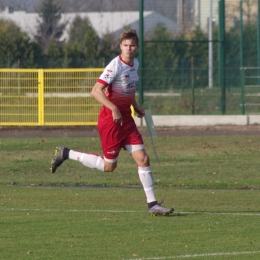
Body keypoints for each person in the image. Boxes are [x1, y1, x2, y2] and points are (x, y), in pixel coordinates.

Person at [51, 29, 174, 216]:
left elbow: (128, 91)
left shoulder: (135, 64)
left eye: (132, 45)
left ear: (137, 47)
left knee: (143, 159)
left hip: (127, 121)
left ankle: (153, 205)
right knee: (109, 167)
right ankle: (67, 153)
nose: (129, 49)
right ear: (120, 47)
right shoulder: (115, 66)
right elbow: (95, 91)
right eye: (125, 45)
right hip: (111, 122)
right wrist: (113, 108)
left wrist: (136, 106)